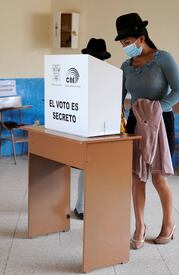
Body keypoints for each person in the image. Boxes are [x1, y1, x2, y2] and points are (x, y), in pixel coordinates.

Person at [114, 13, 179, 248]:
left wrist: (155, 109)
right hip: (136, 123)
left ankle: (168, 223)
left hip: (161, 122)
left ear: (141, 38)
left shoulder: (163, 59)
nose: (125, 48)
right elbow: (118, 96)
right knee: (137, 177)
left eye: (127, 43)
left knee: (158, 176)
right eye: (123, 44)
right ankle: (140, 226)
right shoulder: (126, 66)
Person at [74, 38, 111, 220]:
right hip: (86, 126)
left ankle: (88, 205)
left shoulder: (108, 75)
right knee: (86, 167)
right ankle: (81, 206)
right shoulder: (81, 74)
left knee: (96, 168)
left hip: (103, 127)